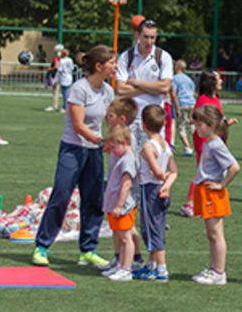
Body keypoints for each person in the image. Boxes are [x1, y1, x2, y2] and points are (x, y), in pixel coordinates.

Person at [31, 45, 115, 267]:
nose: (115, 67)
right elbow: (78, 125)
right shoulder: (80, 89)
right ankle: (42, 246)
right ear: (99, 66)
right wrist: (101, 141)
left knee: (94, 199)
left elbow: (110, 121)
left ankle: (88, 249)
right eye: (111, 63)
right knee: (61, 195)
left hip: (94, 151)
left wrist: (116, 137)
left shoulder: (108, 91)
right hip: (73, 149)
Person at [191, 104, 241, 285]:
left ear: (210, 124)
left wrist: (222, 185)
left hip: (212, 193)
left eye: (199, 125)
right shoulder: (210, 143)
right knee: (211, 234)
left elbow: (234, 167)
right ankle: (214, 268)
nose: (196, 129)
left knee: (216, 234)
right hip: (206, 191)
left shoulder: (216, 144)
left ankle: (219, 272)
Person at [182, 70, 238, 218]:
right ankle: (190, 203)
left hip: (215, 141)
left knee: (210, 172)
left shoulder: (215, 99)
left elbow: (216, 119)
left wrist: (226, 123)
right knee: (201, 172)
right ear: (211, 82)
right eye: (218, 79)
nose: (221, 81)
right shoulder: (203, 99)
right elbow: (195, 118)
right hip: (204, 141)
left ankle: (199, 203)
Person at [115, 19, 173, 150]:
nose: (149, 42)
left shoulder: (163, 57)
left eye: (153, 37)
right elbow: (121, 89)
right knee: (130, 165)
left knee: (152, 165)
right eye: (146, 37)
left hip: (154, 120)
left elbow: (165, 87)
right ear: (137, 35)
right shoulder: (126, 57)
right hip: (130, 120)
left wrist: (136, 82)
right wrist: (154, 88)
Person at [135, 105, 177, 282]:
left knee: (152, 230)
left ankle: (161, 269)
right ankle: (152, 265)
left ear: (144, 125)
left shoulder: (147, 146)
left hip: (151, 189)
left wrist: (162, 177)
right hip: (161, 189)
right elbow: (174, 170)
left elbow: (156, 171)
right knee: (156, 227)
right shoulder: (165, 145)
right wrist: (167, 185)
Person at [100, 124, 138, 282]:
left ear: (123, 142)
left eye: (114, 147)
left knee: (125, 237)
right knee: (118, 235)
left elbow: (126, 184)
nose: (112, 151)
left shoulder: (128, 160)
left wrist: (119, 205)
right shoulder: (121, 157)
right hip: (115, 202)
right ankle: (120, 264)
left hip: (124, 206)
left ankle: (126, 268)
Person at [171, 59, 196, 155]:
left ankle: (188, 147)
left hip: (182, 103)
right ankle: (200, 144)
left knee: (181, 127)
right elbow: (193, 92)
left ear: (176, 67)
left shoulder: (175, 78)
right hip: (192, 103)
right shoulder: (189, 79)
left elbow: (174, 94)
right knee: (192, 126)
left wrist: (177, 108)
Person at [45, 43, 63, 111]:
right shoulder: (63, 59)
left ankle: (54, 105)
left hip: (56, 76)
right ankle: (61, 105)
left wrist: (50, 69)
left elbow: (56, 66)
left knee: (55, 91)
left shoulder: (56, 58)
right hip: (62, 76)